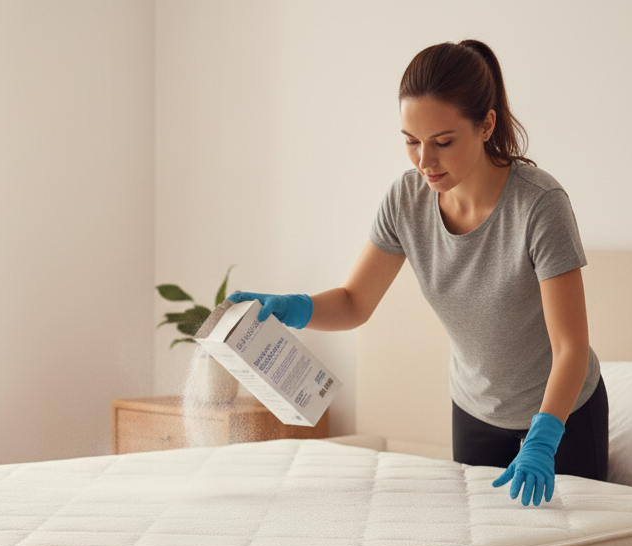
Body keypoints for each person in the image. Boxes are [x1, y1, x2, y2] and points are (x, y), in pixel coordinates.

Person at [229, 39, 608, 507]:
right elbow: (354, 302)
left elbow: (570, 347)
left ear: (486, 124)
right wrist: (293, 308)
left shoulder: (539, 206)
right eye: (411, 142)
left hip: (561, 418)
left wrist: (545, 436)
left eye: (443, 143)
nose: (424, 161)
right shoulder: (406, 201)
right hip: (475, 413)